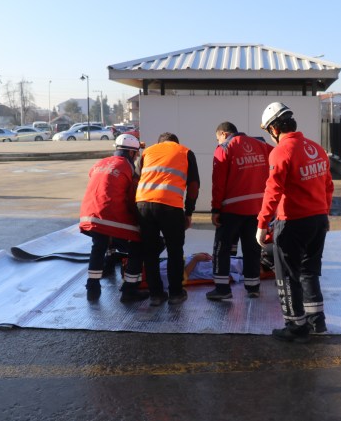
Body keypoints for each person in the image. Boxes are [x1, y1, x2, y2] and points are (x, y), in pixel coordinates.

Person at [256, 102, 334, 343]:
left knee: (287, 274)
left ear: (274, 129)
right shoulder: (316, 148)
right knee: (310, 271)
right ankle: (316, 322)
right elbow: (328, 186)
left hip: (292, 222)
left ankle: (295, 326)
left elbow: (273, 189)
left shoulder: (280, 151)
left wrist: (262, 223)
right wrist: (324, 213)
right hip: (318, 220)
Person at [206, 121, 272, 301]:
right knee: (252, 248)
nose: (218, 142)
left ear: (223, 134)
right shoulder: (262, 145)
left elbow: (218, 183)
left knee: (222, 248)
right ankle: (253, 287)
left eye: (217, 138)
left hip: (232, 209)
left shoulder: (224, 148)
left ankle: (222, 289)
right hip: (257, 209)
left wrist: (215, 208)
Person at [79, 134, 145, 303]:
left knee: (99, 243)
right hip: (109, 215)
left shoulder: (99, 163)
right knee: (139, 244)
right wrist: (141, 220)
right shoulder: (129, 168)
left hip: (89, 214)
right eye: (136, 154)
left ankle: (92, 286)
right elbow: (131, 199)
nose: (136, 157)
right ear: (131, 153)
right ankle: (129, 289)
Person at [136, 132, 200, 306]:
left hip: (143, 205)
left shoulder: (147, 152)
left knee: (150, 252)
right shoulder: (185, 152)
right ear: (176, 143)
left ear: (160, 143)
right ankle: (176, 294)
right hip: (171, 206)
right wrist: (189, 212)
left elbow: (136, 179)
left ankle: (156, 294)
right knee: (175, 251)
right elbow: (193, 186)